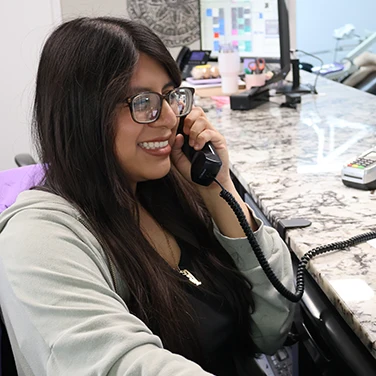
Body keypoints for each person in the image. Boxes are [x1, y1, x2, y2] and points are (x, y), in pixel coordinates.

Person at [0, 17, 294, 376]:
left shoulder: (170, 193)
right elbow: (120, 366)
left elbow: (271, 330)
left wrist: (220, 188)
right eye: (143, 101)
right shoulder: (39, 239)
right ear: (82, 115)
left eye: (171, 96)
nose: (170, 118)